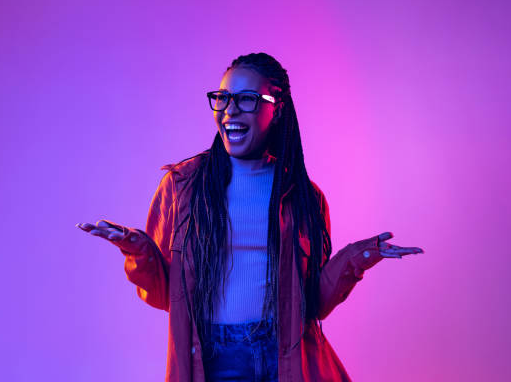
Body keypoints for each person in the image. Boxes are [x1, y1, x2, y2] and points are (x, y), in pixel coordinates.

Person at [77, 52, 424, 381]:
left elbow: (312, 303)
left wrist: (358, 258)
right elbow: (164, 294)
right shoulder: (182, 187)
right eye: (223, 98)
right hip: (213, 358)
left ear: (278, 108)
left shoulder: (304, 197)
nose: (230, 111)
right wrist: (137, 249)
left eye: (247, 99)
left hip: (282, 355)